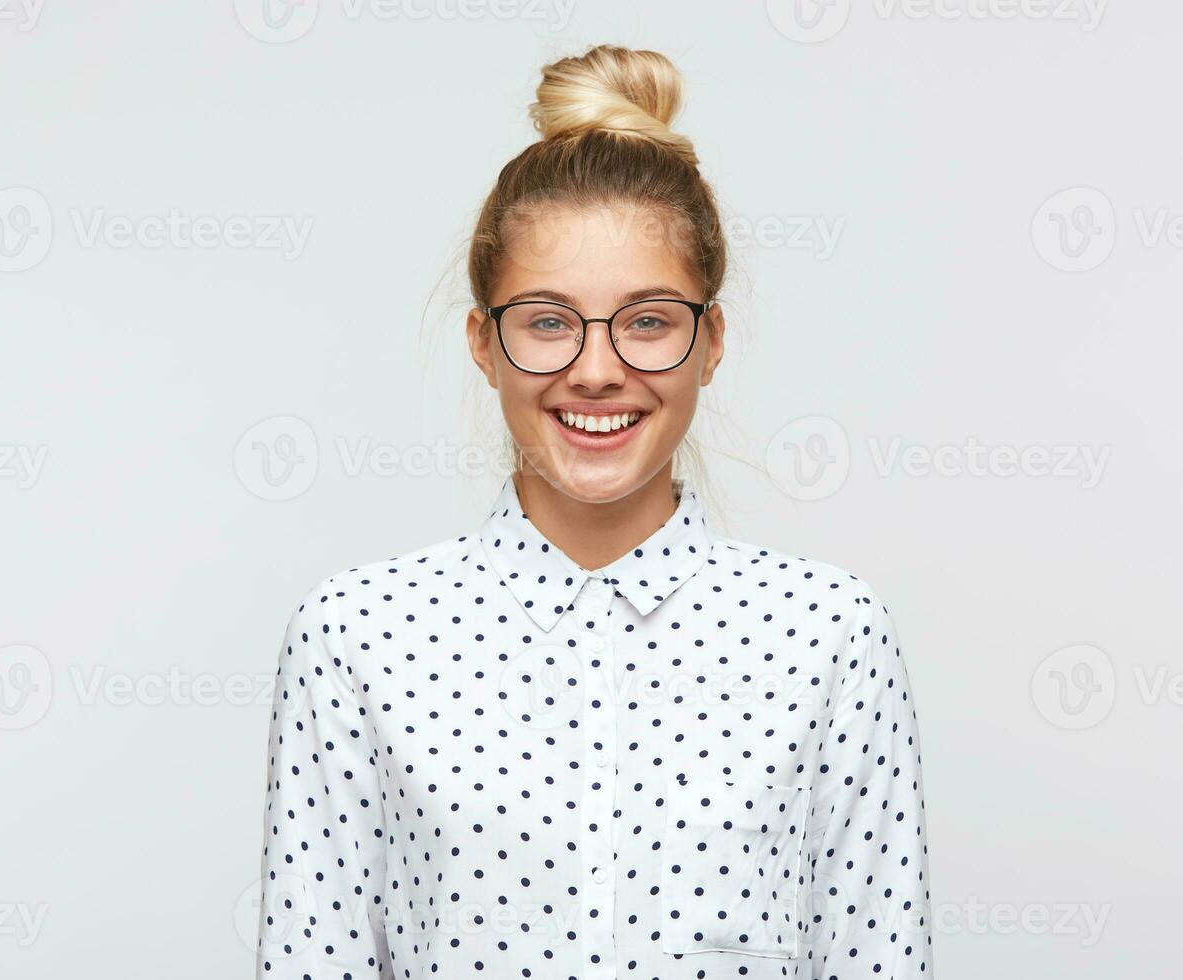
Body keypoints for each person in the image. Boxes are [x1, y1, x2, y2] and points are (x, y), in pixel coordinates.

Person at [256, 43, 932, 980]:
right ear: (484, 345)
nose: (598, 367)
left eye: (649, 320)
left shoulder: (828, 634)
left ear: (711, 341)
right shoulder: (357, 636)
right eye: (547, 320)